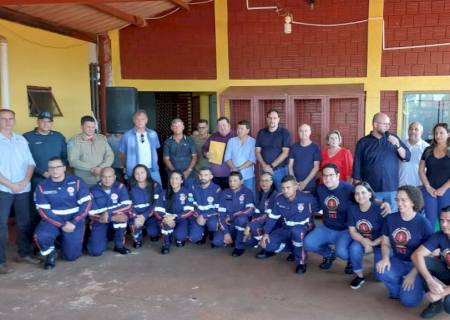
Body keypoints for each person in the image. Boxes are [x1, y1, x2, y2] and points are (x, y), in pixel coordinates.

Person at [376, 185, 433, 307]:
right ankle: (398, 289)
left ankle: (420, 287)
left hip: (418, 265)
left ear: (413, 201)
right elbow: (385, 242)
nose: (399, 203)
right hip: (399, 260)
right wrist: (385, 258)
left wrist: (413, 274)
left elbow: (429, 254)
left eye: (403, 200)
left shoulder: (423, 223)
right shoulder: (391, 218)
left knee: (409, 302)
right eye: (397, 199)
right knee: (381, 270)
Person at [34, 157, 92, 270]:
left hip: (74, 219)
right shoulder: (42, 186)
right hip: (53, 219)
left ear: (64, 168)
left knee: (71, 256)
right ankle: (50, 254)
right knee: (40, 236)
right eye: (51, 168)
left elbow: (87, 204)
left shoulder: (77, 182)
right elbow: (43, 211)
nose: (54, 170)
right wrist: (61, 225)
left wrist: (74, 222)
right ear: (48, 170)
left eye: (58, 167)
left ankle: (63, 243)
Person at [0, 109, 39, 274]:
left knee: (24, 222)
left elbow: (31, 163)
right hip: (3, 189)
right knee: (1, 225)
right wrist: (11, 185)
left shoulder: (21, 139)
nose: (8, 122)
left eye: (11, 119)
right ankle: (0, 262)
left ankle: (24, 253)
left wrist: (24, 182)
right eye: (4, 119)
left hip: (23, 188)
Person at [257, 175, 317, 274]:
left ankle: (301, 262)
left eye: (288, 187)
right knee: (266, 244)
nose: (285, 191)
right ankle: (294, 250)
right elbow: (273, 217)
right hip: (286, 228)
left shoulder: (307, 199)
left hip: (302, 229)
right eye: (283, 188)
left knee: (297, 233)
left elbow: (317, 213)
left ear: (295, 186)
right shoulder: (279, 199)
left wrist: (311, 230)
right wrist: (266, 233)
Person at [353, 112, 411, 212]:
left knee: (392, 218)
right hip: (372, 189)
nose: (388, 126)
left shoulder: (393, 138)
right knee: (374, 217)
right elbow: (357, 166)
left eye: (388, 124)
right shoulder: (363, 142)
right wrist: (359, 188)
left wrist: (397, 145)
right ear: (375, 124)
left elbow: (407, 157)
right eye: (385, 124)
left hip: (391, 188)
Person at [304, 164, 354, 274]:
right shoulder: (320, 189)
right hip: (327, 227)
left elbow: (366, 198)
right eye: (325, 176)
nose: (327, 179)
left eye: (331, 175)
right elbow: (308, 198)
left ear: (338, 176)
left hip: (345, 230)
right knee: (308, 243)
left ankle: (351, 260)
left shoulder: (349, 189)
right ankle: (329, 254)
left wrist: (382, 204)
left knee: (342, 253)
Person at [412, 206, 450, 318]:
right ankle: (436, 305)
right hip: (447, 272)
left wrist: (441, 294)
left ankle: (440, 298)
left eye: (448, 221)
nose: (443, 224)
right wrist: (430, 281)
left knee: (449, 303)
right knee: (422, 262)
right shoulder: (439, 235)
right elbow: (416, 255)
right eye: (442, 220)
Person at [347, 182, 385, 289]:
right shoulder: (352, 209)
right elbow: (352, 231)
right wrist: (363, 240)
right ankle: (359, 276)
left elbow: (387, 234)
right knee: (354, 247)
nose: (360, 196)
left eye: (363, 192)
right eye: (357, 194)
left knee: (380, 278)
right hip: (362, 241)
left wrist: (372, 243)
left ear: (370, 194)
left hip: (380, 242)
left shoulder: (380, 209)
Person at [87, 167, 132, 256]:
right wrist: (111, 217)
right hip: (100, 221)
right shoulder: (93, 190)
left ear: (114, 177)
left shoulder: (120, 187)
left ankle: (119, 245)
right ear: (100, 177)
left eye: (110, 177)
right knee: (94, 252)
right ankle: (104, 237)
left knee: (122, 217)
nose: (107, 180)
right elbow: (91, 213)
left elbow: (127, 205)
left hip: (116, 219)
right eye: (104, 177)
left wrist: (108, 212)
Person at [212, 171, 254, 257]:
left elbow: (249, 210)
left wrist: (232, 216)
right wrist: (226, 232)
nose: (232, 183)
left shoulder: (247, 192)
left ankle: (239, 246)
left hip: (240, 222)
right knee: (216, 242)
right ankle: (230, 238)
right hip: (228, 224)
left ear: (241, 181)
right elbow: (220, 213)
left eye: (235, 181)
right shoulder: (225, 193)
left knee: (241, 219)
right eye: (230, 181)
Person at [23, 111, 67, 188]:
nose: (46, 124)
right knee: (39, 200)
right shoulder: (27, 137)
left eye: (49, 121)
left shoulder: (58, 136)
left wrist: (59, 171)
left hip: (57, 177)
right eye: (43, 121)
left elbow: (64, 156)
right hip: (36, 178)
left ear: (52, 123)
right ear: (37, 122)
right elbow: (24, 159)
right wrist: (43, 173)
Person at [67, 115, 114, 186]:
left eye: (93, 127)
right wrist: (92, 169)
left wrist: (101, 168)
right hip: (85, 181)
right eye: (88, 127)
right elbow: (73, 160)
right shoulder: (73, 141)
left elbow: (110, 155)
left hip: (104, 179)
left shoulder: (101, 138)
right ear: (82, 127)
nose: (91, 129)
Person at [419, 123, 450, 230]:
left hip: (446, 191)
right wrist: (427, 187)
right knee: (429, 221)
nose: (438, 135)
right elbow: (421, 170)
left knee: (445, 220)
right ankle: (430, 245)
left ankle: (445, 245)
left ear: (448, 134)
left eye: (441, 133)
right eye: (436, 133)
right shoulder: (428, 150)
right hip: (429, 191)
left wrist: (443, 189)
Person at [119, 110, 162, 185]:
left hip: (152, 169)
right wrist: (127, 166)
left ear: (146, 120)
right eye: (137, 119)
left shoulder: (153, 134)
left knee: (157, 190)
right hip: (134, 170)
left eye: (142, 119)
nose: (140, 121)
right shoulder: (127, 135)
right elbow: (122, 154)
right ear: (134, 121)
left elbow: (155, 150)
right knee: (135, 193)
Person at [129, 164, 165, 248]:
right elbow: (128, 204)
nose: (139, 175)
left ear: (147, 173)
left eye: (142, 172)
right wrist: (136, 216)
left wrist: (144, 216)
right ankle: (139, 234)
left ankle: (148, 229)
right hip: (135, 215)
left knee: (153, 233)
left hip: (150, 215)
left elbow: (156, 203)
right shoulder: (129, 186)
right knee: (137, 240)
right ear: (133, 175)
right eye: (137, 173)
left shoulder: (155, 185)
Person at [160, 170, 195, 254]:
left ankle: (178, 235)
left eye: (177, 178)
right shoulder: (164, 192)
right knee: (166, 224)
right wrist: (167, 218)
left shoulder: (187, 193)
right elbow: (158, 209)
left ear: (181, 180)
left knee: (179, 237)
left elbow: (189, 211)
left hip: (182, 219)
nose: (174, 181)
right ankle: (166, 244)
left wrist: (174, 216)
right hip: (167, 219)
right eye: (172, 178)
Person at [256, 109, 290, 191]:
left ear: (278, 119)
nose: (272, 120)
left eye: (274, 118)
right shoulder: (261, 132)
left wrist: (271, 166)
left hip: (280, 170)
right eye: (270, 118)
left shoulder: (284, 132)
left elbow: (285, 153)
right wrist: (264, 165)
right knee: (265, 194)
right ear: (267, 119)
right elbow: (257, 151)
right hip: (264, 170)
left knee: (282, 193)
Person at [242, 172, 277, 248]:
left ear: (271, 182)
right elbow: (256, 212)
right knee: (246, 242)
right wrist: (250, 222)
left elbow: (267, 215)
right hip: (260, 220)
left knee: (254, 226)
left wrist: (249, 225)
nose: (263, 183)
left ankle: (267, 247)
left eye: (266, 181)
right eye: (262, 180)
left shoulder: (275, 195)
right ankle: (258, 240)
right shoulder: (259, 194)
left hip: (271, 223)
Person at [190, 167, 221, 244]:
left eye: (206, 175)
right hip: (198, 215)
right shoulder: (194, 188)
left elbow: (219, 209)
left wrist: (204, 215)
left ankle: (212, 232)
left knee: (212, 224)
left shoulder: (217, 189)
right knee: (194, 238)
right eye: (201, 175)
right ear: (198, 176)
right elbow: (190, 203)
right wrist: (196, 213)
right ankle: (203, 232)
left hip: (211, 215)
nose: (203, 177)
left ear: (211, 176)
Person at [224, 120, 256, 195]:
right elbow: (227, 158)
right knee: (235, 196)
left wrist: (238, 168)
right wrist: (234, 168)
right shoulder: (231, 141)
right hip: (234, 176)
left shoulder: (253, 141)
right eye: (238, 128)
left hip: (248, 176)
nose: (239, 131)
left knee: (250, 195)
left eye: (242, 129)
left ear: (247, 130)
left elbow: (252, 160)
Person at [202, 117, 235, 190]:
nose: (222, 127)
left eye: (224, 125)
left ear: (229, 125)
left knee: (228, 197)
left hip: (231, 175)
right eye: (219, 126)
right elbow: (204, 148)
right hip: (215, 175)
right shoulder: (213, 136)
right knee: (216, 196)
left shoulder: (235, 136)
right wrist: (206, 153)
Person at [163, 119, 197, 188]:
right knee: (174, 195)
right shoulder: (167, 142)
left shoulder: (189, 140)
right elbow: (166, 159)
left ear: (183, 127)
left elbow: (194, 157)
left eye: (179, 126)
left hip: (189, 174)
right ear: (171, 128)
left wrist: (188, 171)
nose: (177, 128)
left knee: (190, 195)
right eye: (174, 126)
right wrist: (175, 172)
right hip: (173, 175)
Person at [288, 124, 320, 193]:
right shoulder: (293, 147)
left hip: (310, 184)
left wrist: (305, 182)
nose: (303, 133)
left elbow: (316, 167)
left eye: (306, 131)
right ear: (298, 132)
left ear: (310, 132)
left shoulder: (315, 147)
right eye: (301, 131)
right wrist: (294, 181)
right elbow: (290, 166)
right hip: (295, 184)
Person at [399, 122, 429, 187]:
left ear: (421, 132)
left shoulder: (427, 148)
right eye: (410, 129)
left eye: (416, 129)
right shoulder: (400, 144)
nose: (413, 131)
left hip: (418, 186)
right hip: (400, 185)